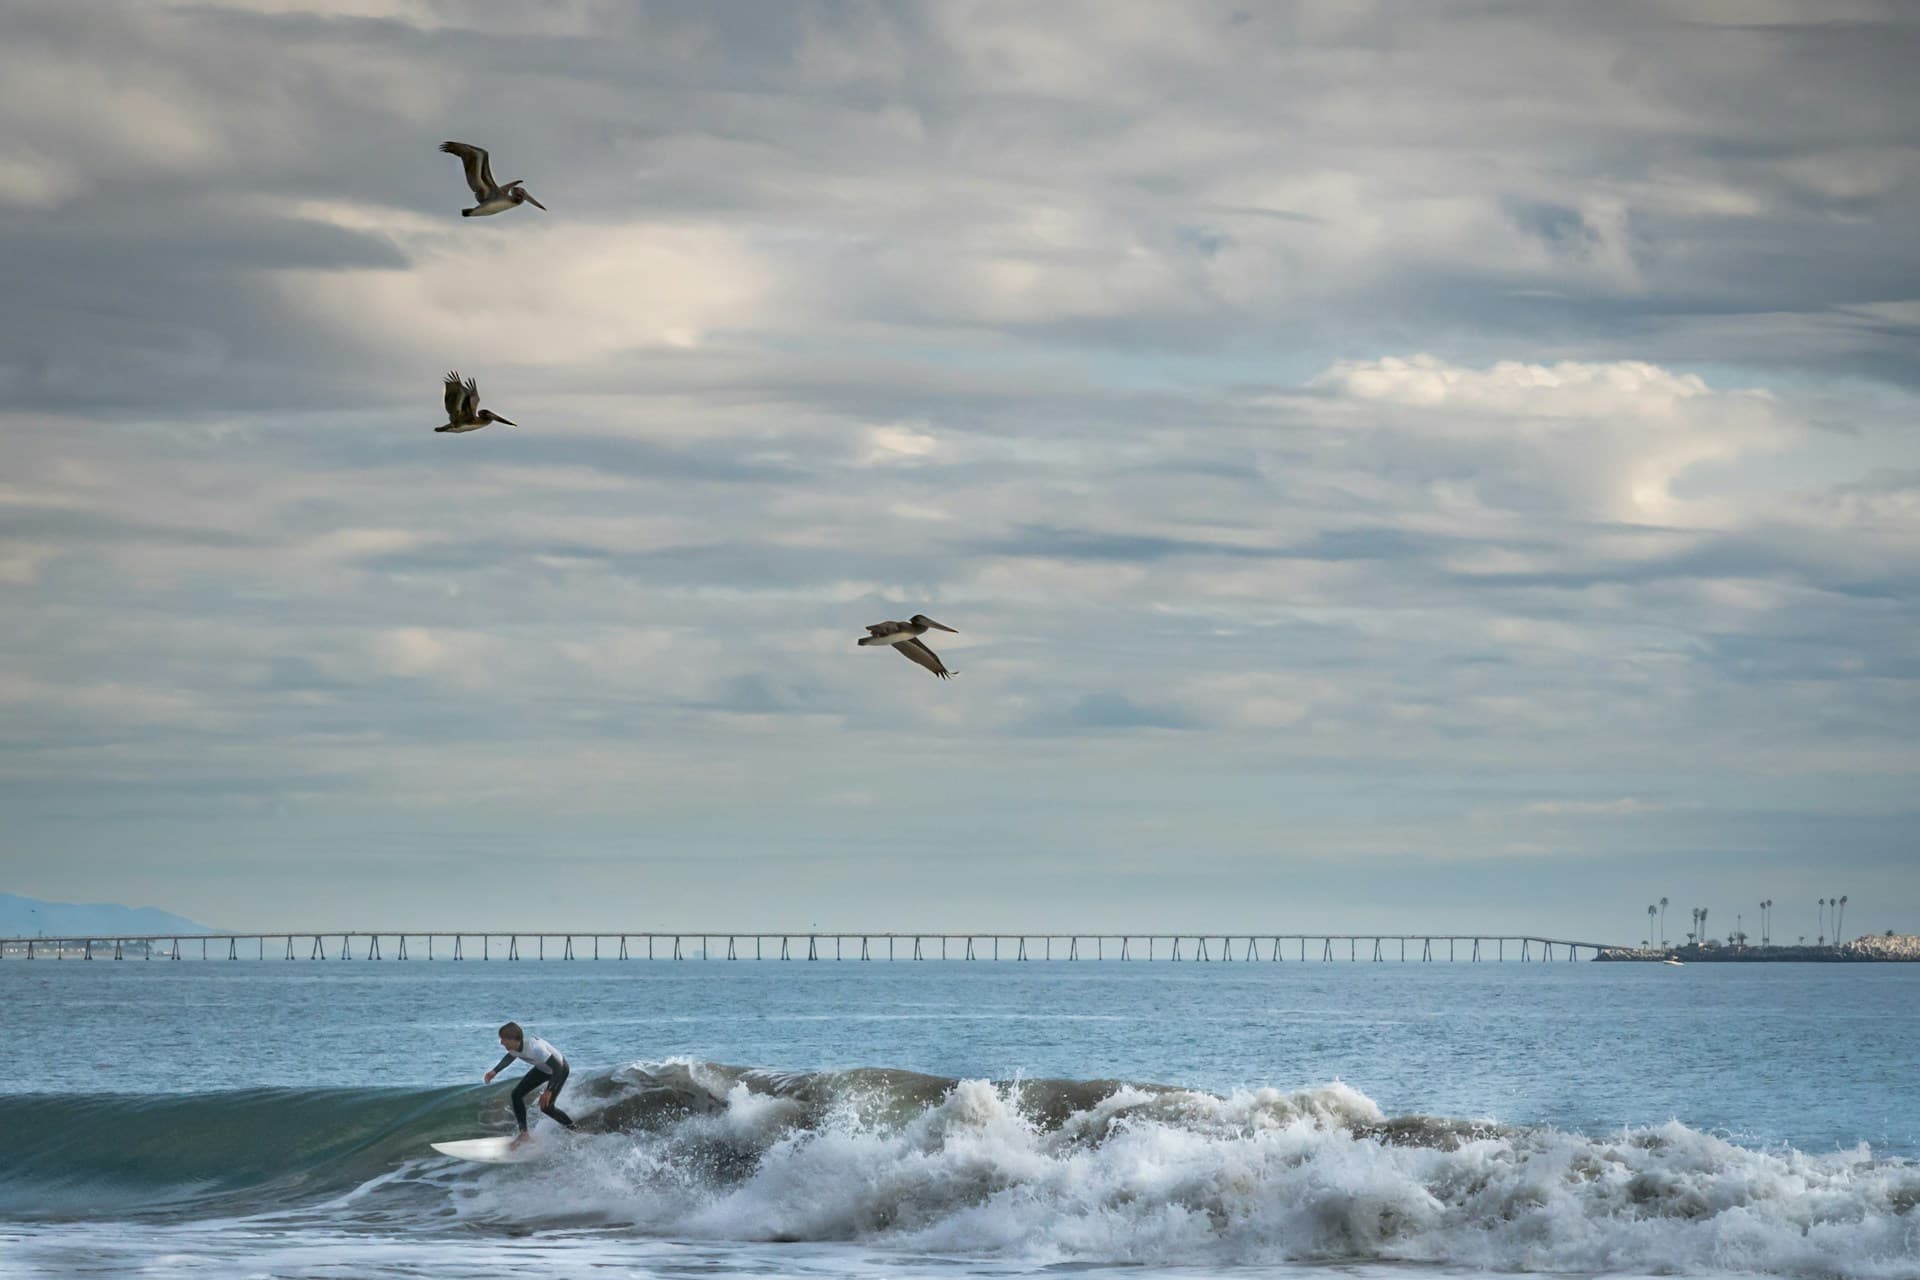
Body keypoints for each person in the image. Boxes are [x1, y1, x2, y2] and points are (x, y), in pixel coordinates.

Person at [484, 1021, 576, 1146]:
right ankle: (524, 1134)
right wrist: (495, 1071)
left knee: (547, 1107)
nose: (501, 1042)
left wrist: (549, 1090)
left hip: (559, 1070)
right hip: (542, 1069)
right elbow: (510, 1056)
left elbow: (558, 1068)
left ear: (514, 1039)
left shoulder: (535, 1048)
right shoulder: (515, 1047)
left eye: (504, 1039)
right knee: (516, 1094)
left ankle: (574, 1129)